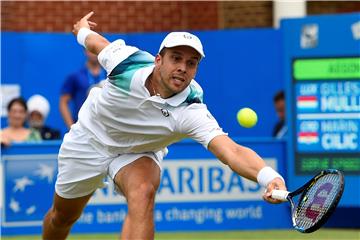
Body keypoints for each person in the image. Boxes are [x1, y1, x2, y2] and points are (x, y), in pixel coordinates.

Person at [43, 12, 287, 240]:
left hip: (138, 151)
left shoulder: (190, 109)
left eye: (191, 63)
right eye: (176, 58)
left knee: (143, 192)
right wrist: (82, 29)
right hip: (90, 139)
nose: (182, 67)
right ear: (158, 60)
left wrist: (269, 177)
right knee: (62, 218)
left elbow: (231, 151)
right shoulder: (127, 62)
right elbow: (97, 43)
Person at [59, 47, 106, 129]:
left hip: (106, 126)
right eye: (91, 49)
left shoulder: (110, 75)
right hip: (82, 127)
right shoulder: (75, 76)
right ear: (85, 51)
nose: (94, 52)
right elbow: (63, 102)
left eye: (97, 49)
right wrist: (71, 128)